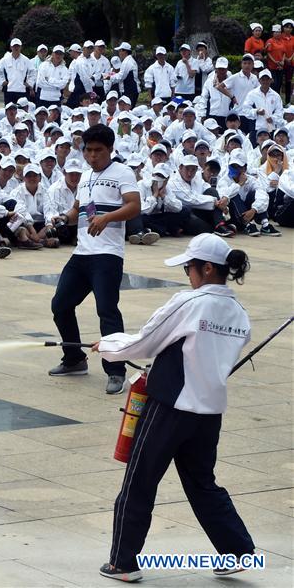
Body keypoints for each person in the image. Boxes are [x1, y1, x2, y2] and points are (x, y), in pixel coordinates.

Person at [94, 234, 255, 582]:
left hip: (170, 408)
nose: (187, 274)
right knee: (202, 483)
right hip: (209, 412)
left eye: (189, 267)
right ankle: (238, 551)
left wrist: (107, 344)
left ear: (207, 268)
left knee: (139, 481)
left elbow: (143, 342)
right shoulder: (239, 314)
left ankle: (123, 562)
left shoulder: (191, 302)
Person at [49, 124, 141, 394]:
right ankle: (75, 359)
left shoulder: (122, 172)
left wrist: (107, 218)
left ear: (110, 149)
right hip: (82, 254)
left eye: (98, 151)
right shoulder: (87, 177)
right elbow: (79, 208)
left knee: (107, 311)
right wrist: (65, 218)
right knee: (60, 305)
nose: (92, 156)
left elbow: (134, 206)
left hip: (107, 255)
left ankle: (116, 371)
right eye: (88, 151)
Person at [0, 38, 36, 105]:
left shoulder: (26, 60)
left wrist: (29, 83)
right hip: (9, 90)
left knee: (21, 112)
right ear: (11, 47)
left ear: (21, 47)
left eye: (18, 46)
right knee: (9, 111)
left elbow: (33, 72)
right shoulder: (5, 59)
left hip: (22, 90)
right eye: (14, 46)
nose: (16, 48)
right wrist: (2, 81)